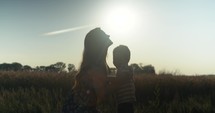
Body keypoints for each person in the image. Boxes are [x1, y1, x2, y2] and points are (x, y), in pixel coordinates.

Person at [62, 27, 113, 113]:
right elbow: (102, 95)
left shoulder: (89, 66)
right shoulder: (97, 68)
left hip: (71, 106)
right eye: (105, 47)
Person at [113, 45, 136, 113]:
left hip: (125, 102)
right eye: (113, 58)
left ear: (125, 58)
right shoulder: (123, 68)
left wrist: (110, 80)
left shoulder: (124, 68)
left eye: (116, 58)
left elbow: (122, 76)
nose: (114, 60)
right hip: (124, 101)